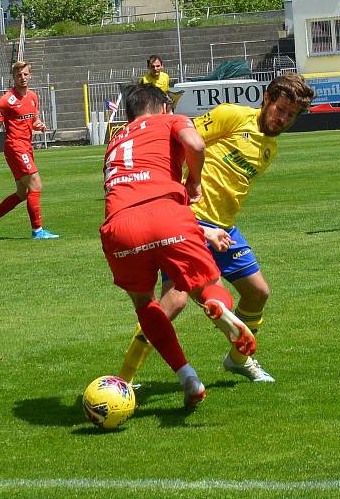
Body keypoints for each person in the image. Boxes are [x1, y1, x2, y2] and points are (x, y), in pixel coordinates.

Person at [118, 73, 315, 385]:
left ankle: (238, 360)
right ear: (266, 100)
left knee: (257, 293)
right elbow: (180, 142)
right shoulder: (231, 115)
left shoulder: (270, 148)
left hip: (225, 228)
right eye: (280, 109)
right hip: (189, 220)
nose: (284, 118)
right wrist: (178, 194)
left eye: (291, 115)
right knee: (173, 302)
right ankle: (124, 378)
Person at [101, 83, 257, 408]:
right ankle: (220, 308)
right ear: (161, 107)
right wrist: (194, 180)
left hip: (119, 227)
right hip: (168, 215)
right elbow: (195, 144)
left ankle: (188, 377)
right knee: (205, 286)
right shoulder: (170, 120)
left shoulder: (114, 140)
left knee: (146, 305)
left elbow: (134, 194)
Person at [0, 61, 59, 241]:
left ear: (30, 75)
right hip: (15, 147)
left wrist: (39, 126)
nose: (22, 77)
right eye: (18, 75)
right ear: (13, 77)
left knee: (22, 193)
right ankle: (37, 231)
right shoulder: (6, 100)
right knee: (36, 184)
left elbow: (33, 121)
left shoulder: (32, 97)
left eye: (25, 74)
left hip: (26, 147)